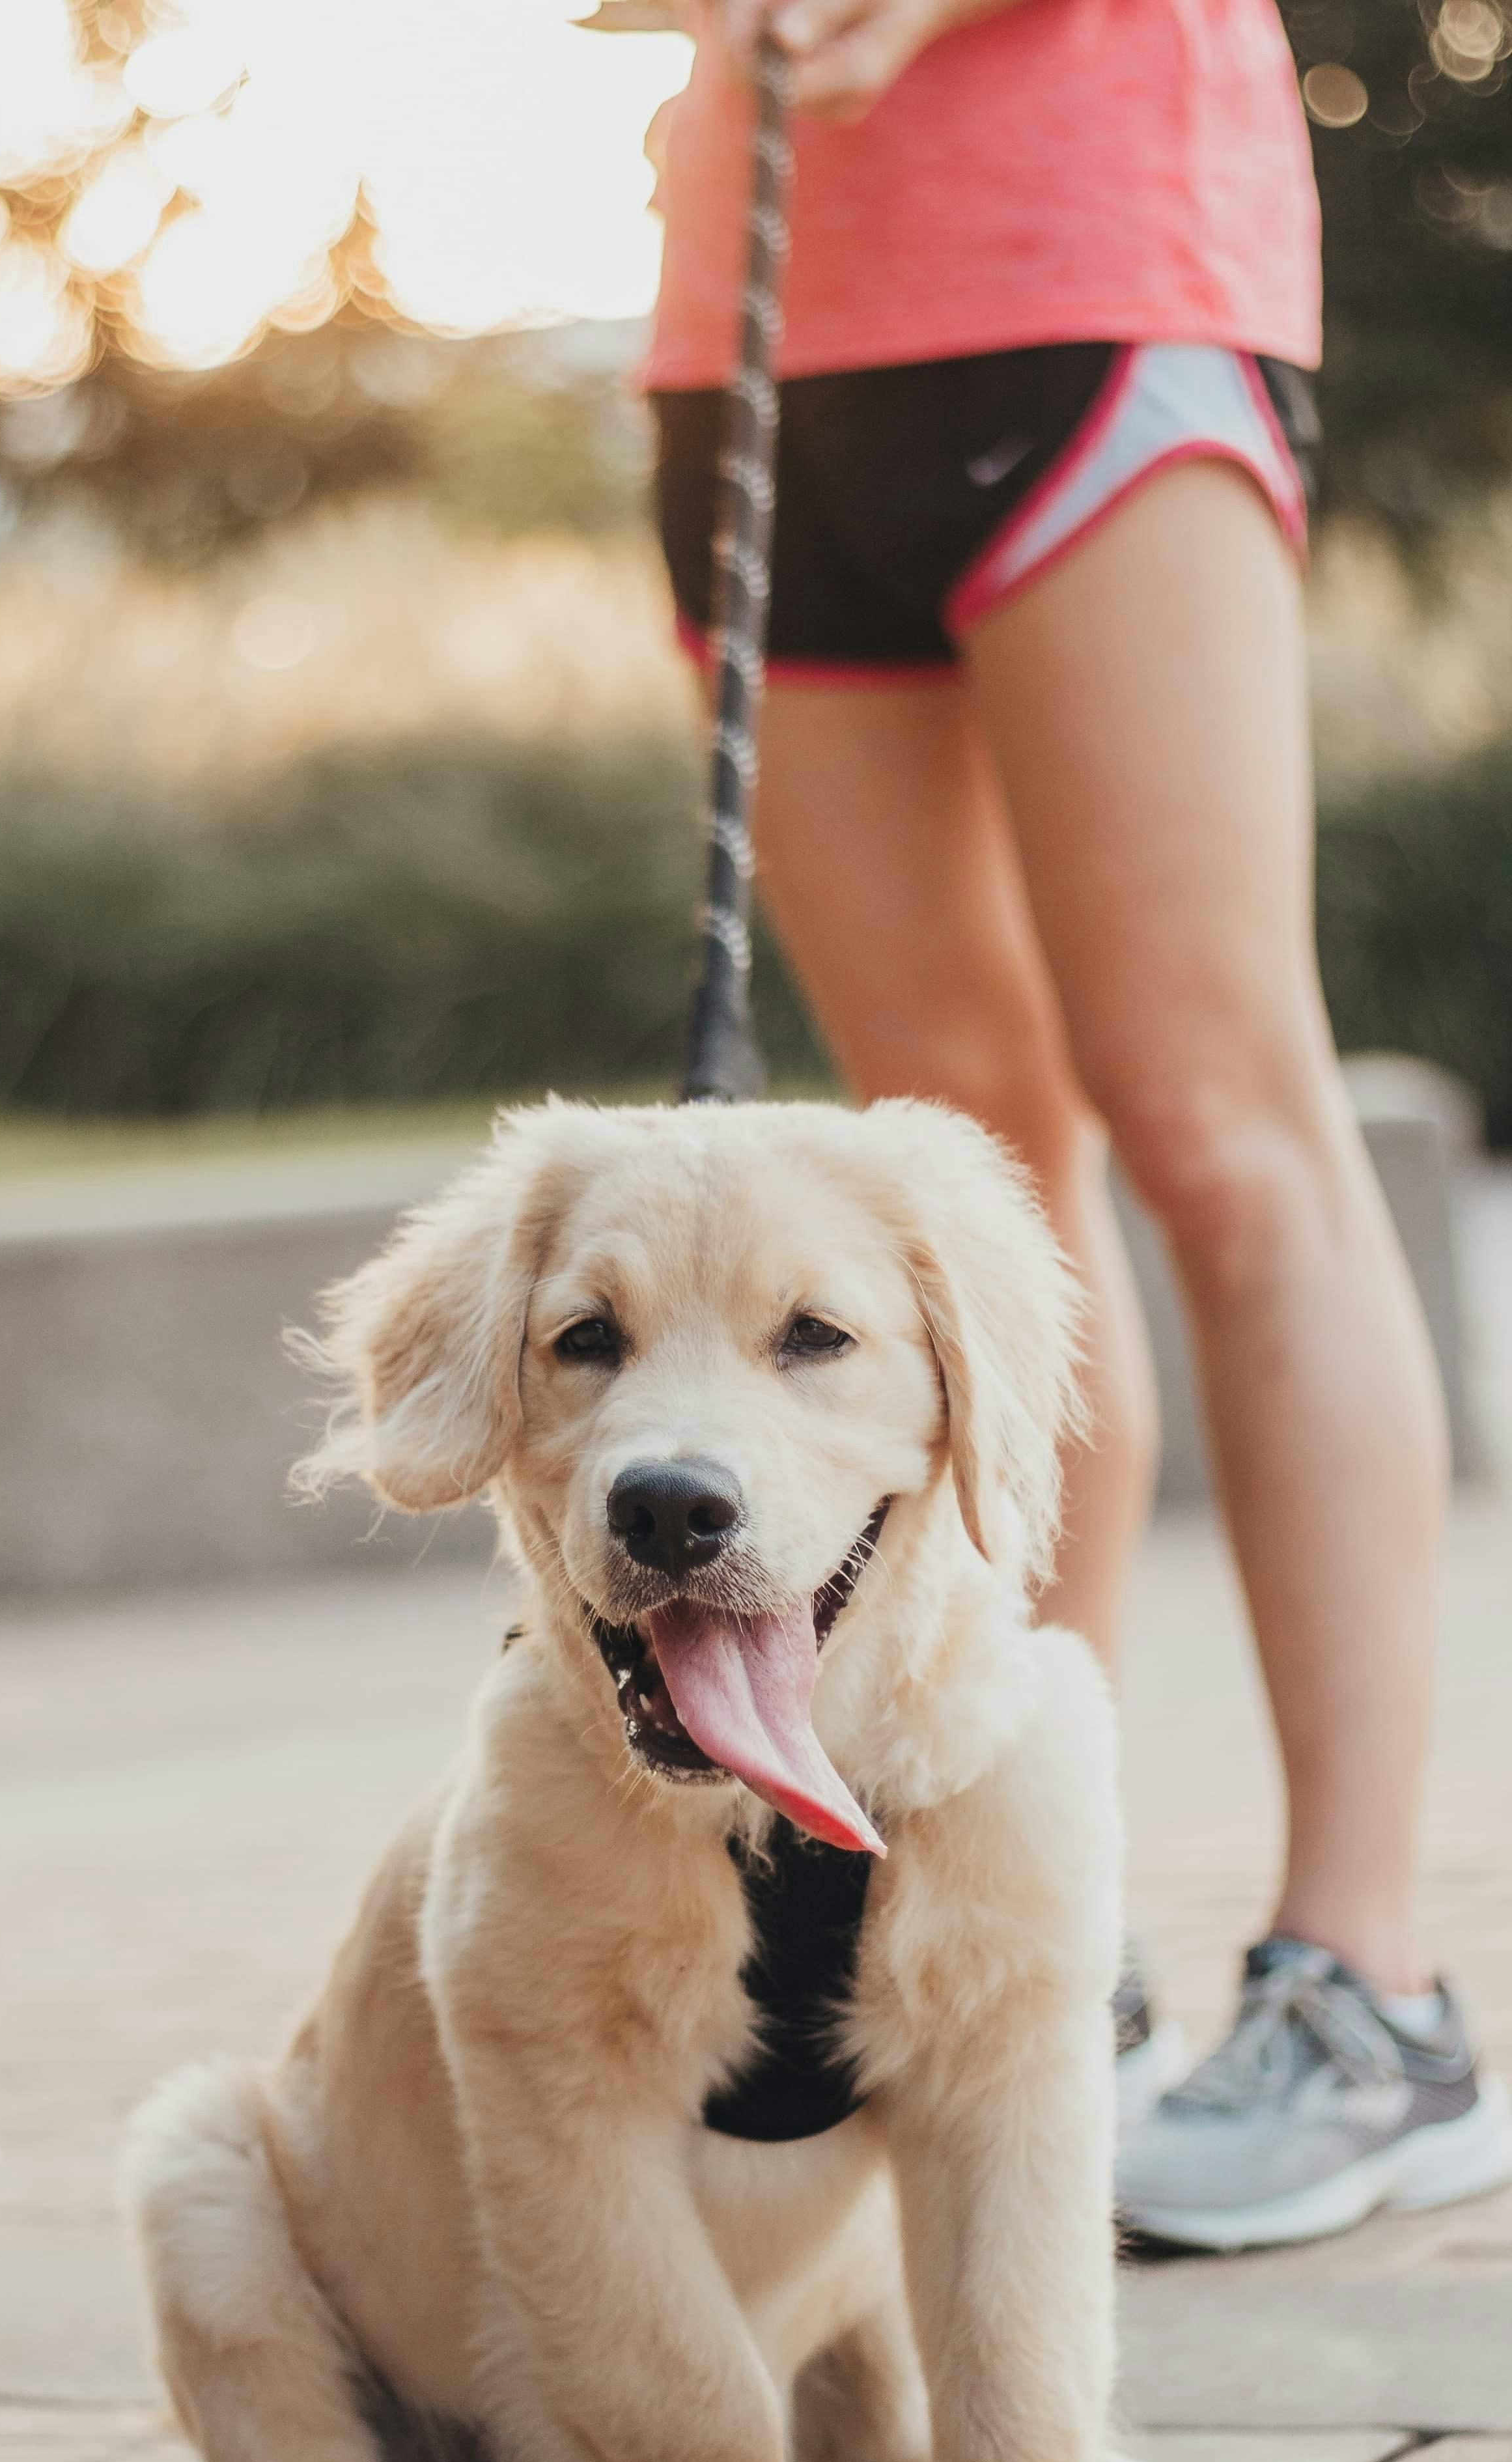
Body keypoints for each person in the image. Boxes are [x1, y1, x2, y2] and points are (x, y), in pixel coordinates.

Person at [644, 0, 1512, 2247]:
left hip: (1105, 267)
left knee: (1221, 1119)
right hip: (750, 315)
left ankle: (1372, 2004)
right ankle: (1051, 1946)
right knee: (968, 1173)